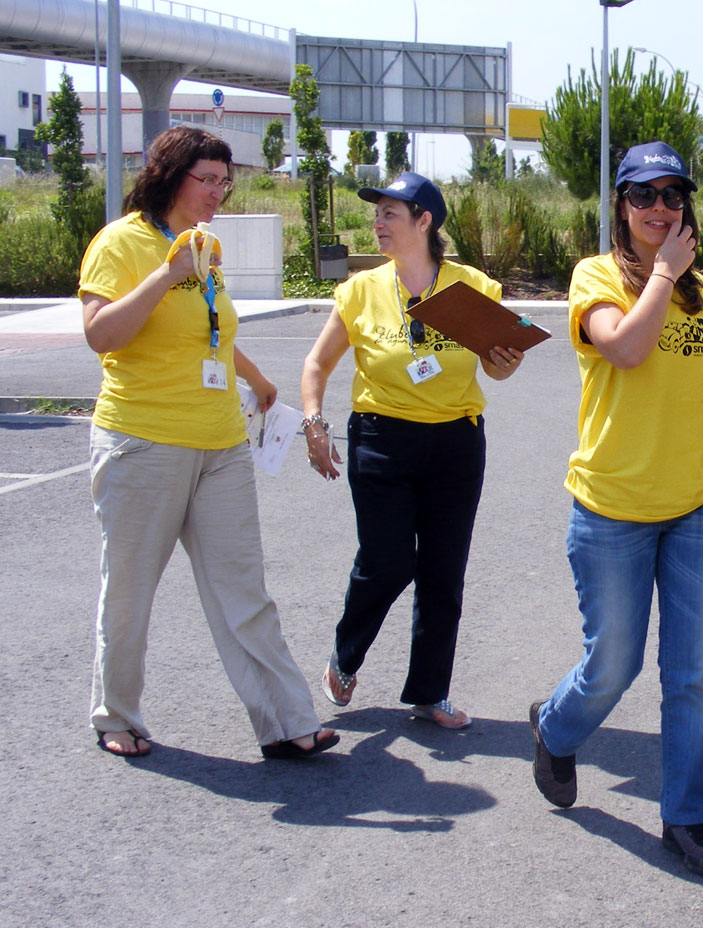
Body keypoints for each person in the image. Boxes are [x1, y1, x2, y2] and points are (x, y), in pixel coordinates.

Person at [81, 126, 337, 760]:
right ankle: (116, 715)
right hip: (143, 441)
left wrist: (256, 378)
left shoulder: (205, 245)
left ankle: (287, 722)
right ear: (171, 176)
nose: (219, 192)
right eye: (209, 180)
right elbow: (101, 334)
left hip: (221, 443)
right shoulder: (122, 243)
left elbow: (209, 330)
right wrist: (168, 273)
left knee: (244, 589)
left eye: (226, 182)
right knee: (130, 590)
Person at [529, 142, 703, 876]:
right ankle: (555, 729)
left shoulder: (694, 288)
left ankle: (686, 815)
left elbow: (698, 387)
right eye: (643, 195)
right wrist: (665, 274)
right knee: (613, 665)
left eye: (673, 195)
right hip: (613, 506)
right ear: (620, 206)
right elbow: (626, 349)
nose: (660, 208)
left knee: (694, 673)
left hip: (696, 506)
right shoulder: (596, 277)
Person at [301, 172, 524, 730]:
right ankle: (345, 655)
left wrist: (505, 359)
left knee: (444, 571)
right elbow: (317, 364)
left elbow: (496, 369)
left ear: (424, 221)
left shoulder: (472, 287)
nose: (377, 223)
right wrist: (314, 422)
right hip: (381, 441)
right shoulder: (361, 290)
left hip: (455, 443)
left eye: (389, 214)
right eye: (377, 214)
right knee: (387, 561)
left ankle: (429, 693)